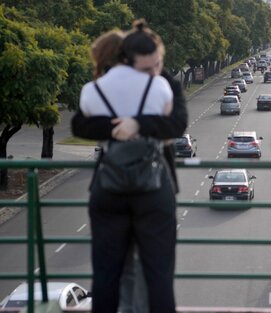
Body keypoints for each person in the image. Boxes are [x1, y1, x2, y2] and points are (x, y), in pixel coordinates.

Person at [74, 20, 183, 313]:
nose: (156, 70)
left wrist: (121, 127)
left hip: (109, 185)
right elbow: (175, 125)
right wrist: (141, 127)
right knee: (159, 275)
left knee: (106, 275)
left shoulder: (95, 88)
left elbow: (79, 123)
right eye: (149, 66)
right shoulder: (160, 86)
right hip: (154, 186)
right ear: (129, 60)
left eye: (158, 64)